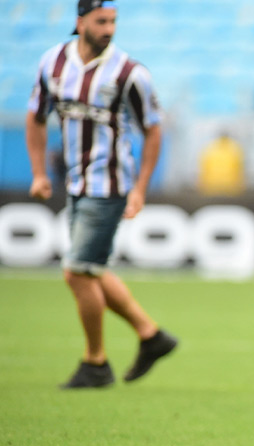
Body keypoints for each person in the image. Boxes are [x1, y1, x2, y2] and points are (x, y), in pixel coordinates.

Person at [26, 0, 178, 389]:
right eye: (101, 21)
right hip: (74, 183)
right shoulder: (52, 63)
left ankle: (96, 363)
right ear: (80, 22)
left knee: (77, 272)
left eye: (113, 21)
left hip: (109, 186)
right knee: (90, 268)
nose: (109, 28)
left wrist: (140, 189)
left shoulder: (129, 72)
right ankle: (151, 335)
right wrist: (40, 173)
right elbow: (36, 115)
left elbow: (153, 130)